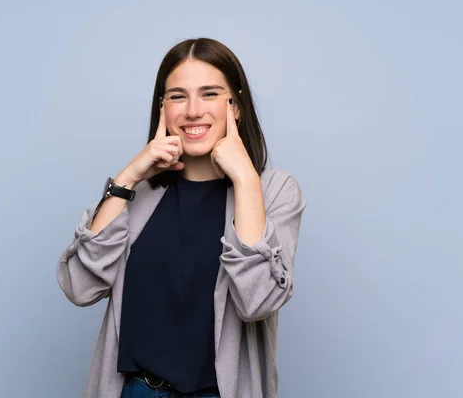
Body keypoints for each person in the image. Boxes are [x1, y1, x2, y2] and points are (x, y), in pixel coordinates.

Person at [57, 37, 307, 398]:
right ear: (163, 108)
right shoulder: (136, 193)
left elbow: (259, 302)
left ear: (235, 106)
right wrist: (127, 178)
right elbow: (78, 287)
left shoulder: (273, 190)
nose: (192, 110)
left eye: (209, 94)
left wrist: (246, 180)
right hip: (137, 390)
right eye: (177, 96)